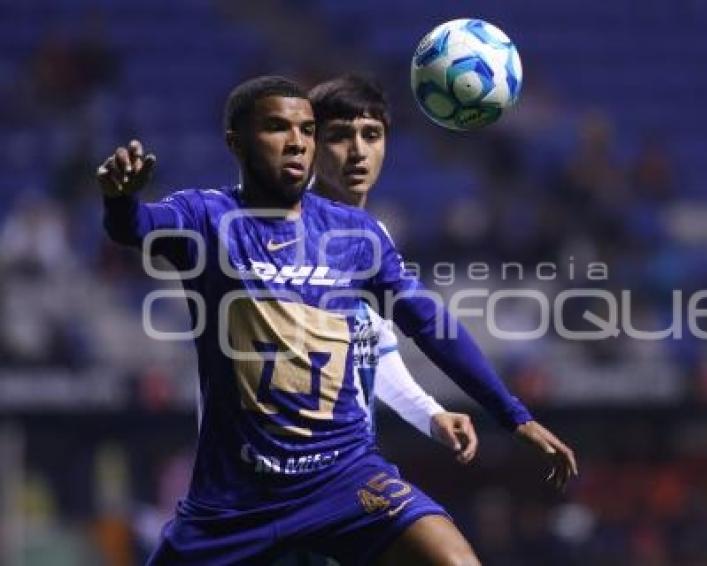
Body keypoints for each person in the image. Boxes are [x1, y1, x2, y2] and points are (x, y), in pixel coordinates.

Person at [98, 75, 577, 565]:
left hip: (342, 479)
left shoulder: (355, 232)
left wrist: (512, 414)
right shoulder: (206, 216)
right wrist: (120, 200)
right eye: (277, 128)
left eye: (306, 130)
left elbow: (429, 322)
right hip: (235, 502)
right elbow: (135, 227)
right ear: (235, 142)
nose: (296, 142)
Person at [309, 74, 477, 462]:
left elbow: (374, 349)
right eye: (338, 136)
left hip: (349, 466)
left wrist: (430, 414)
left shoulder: (373, 234)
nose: (358, 152)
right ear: (310, 146)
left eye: (372, 135)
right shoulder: (281, 231)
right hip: (288, 478)